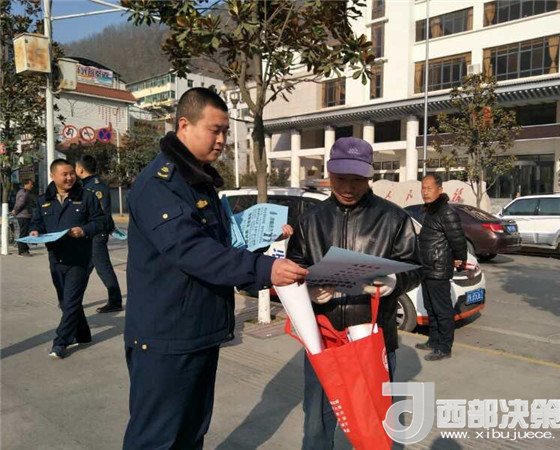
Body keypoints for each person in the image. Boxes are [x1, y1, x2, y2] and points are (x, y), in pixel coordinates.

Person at [123, 87, 308, 449]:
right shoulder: (159, 185)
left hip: (199, 330)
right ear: (184, 125)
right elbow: (192, 250)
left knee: (192, 433)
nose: (222, 140)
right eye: (215, 130)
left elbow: (221, 246)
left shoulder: (198, 182)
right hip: (167, 337)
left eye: (225, 131)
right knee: (157, 439)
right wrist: (264, 268)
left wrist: (261, 241)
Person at [286, 137, 422, 450]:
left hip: (374, 338)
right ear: (329, 173)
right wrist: (307, 290)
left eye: (357, 180)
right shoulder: (309, 220)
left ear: (369, 176)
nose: (348, 188)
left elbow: (416, 268)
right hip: (323, 339)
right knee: (317, 425)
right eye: (340, 179)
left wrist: (393, 282)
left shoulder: (394, 218)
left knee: (374, 422)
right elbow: (293, 269)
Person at [29, 159, 106, 359]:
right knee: (65, 302)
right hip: (56, 258)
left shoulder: (87, 197)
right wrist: (35, 231)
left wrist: (84, 230)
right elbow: (37, 222)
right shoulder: (42, 200)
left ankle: (61, 342)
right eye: (65, 174)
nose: (70, 177)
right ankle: (83, 334)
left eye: (72, 173)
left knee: (71, 302)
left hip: (80, 258)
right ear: (53, 176)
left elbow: (101, 222)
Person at [415, 174, 467, 361]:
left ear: (440, 190)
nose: (425, 192)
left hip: (439, 269)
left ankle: (444, 347)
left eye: (429, 188)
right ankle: (434, 341)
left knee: (442, 310)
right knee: (430, 308)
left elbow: (458, 240)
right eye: (423, 188)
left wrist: (460, 259)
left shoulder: (446, 212)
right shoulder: (430, 211)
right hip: (427, 267)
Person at [75, 155, 123, 313]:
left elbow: (103, 212)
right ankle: (73, 300)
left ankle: (115, 301)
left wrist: (107, 228)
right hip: (88, 233)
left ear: (80, 169)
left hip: (96, 233)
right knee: (83, 268)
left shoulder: (95, 187)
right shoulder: (87, 185)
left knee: (103, 268)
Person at [11, 179, 36, 256]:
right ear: (26, 184)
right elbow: (20, 203)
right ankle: (22, 251)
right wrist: (15, 211)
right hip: (23, 215)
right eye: (31, 184)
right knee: (23, 233)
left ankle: (25, 249)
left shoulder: (23, 192)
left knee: (24, 233)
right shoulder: (24, 192)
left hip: (24, 215)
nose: (32, 186)